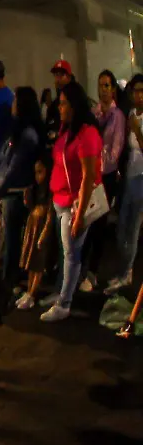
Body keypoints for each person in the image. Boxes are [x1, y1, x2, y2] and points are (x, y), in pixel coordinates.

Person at [40, 82, 102, 323]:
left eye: (64, 102)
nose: (60, 107)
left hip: (74, 204)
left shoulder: (87, 134)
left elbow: (88, 178)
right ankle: (62, 294)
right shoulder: (69, 131)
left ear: (74, 105)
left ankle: (64, 303)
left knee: (71, 254)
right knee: (67, 253)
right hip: (61, 202)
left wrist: (79, 214)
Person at [0, 87, 43, 290]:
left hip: (16, 194)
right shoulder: (18, 131)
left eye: (15, 101)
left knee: (13, 242)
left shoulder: (28, 135)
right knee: (11, 240)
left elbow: (14, 168)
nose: (12, 104)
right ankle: (10, 278)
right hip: (9, 193)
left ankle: (9, 281)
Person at [81, 70, 126, 291]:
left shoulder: (117, 117)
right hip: (91, 174)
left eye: (107, 85)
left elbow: (115, 150)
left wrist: (100, 162)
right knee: (86, 221)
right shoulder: (94, 113)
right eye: (101, 85)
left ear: (113, 89)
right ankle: (81, 269)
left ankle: (93, 272)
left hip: (106, 176)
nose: (103, 90)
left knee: (99, 224)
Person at [106, 74, 143, 295]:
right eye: (135, 91)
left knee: (132, 229)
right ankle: (123, 272)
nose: (138, 95)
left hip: (141, 178)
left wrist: (137, 129)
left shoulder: (137, 119)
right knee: (122, 228)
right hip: (129, 176)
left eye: (142, 90)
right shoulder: (130, 114)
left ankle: (126, 274)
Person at [16, 160, 57, 309]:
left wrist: (45, 232)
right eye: (36, 172)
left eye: (40, 172)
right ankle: (28, 291)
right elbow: (30, 206)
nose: (37, 176)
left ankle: (33, 293)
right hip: (32, 225)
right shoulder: (35, 189)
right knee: (31, 261)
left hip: (41, 228)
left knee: (39, 263)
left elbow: (50, 215)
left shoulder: (50, 190)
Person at [44, 60, 74, 150]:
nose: (58, 79)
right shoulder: (53, 107)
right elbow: (48, 130)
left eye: (61, 75)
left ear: (69, 77)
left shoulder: (77, 101)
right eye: (56, 75)